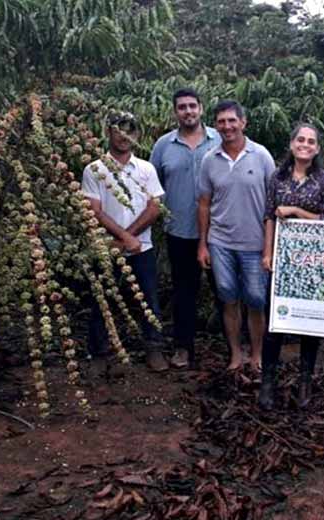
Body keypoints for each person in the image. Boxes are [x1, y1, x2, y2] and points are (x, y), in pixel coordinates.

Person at [259, 122, 324, 410]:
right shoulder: (276, 178)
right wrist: (267, 253)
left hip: (314, 262)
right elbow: (269, 216)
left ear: (317, 148)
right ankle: (268, 381)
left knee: (310, 323)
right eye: (300, 140)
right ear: (291, 145)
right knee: (275, 323)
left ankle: (305, 380)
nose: (305, 145)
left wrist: (295, 211)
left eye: (311, 141)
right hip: (282, 260)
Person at [82, 111, 168, 374]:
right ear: (108, 132)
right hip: (106, 246)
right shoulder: (94, 169)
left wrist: (129, 237)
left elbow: (155, 207)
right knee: (101, 300)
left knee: (149, 300)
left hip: (141, 248)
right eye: (118, 130)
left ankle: (154, 349)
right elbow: (94, 210)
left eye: (129, 131)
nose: (123, 136)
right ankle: (98, 353)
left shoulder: (145, 169)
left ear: (137, 135)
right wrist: (123, 238)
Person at [197, 100, 276, 371]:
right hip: (220, 243)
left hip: (254, 244)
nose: (227, 126)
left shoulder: (262, 155)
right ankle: (235, 354)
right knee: (228, 297)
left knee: (256, 299)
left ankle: (257, 355)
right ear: (215, 125)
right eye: (221, 121)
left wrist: (270, 246)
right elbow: (204, 203)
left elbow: (272, 206)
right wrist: (203, 245)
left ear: (243, 123)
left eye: (232, 121)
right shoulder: (210, 159)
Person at [150, 88, 220, 369]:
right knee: (184, 292)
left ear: (201, 108)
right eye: (182, 107)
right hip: (179, 231)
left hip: (219, 231)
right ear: (175, 112)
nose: (188, 111)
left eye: (192, 106)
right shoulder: (163, 146)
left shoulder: (219, 140)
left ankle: (237, 348)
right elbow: (152, 186)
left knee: (225, 290)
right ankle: (183, 348)